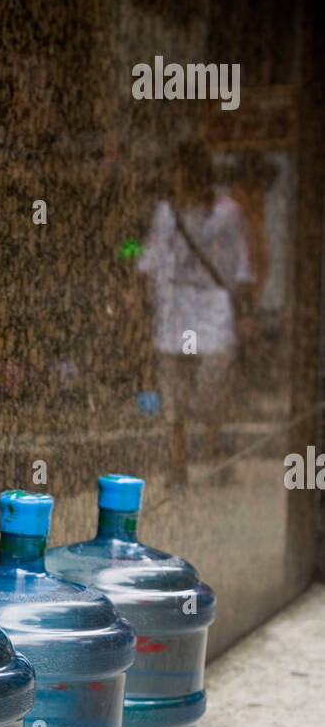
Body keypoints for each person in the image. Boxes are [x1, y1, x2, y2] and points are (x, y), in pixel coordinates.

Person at [138, 142, 255, 483]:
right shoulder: (166, 212)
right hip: (175, 310)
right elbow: (151, 258)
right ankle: (178, 463)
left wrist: (244, 309)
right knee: (175, 388)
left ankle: (215, 450)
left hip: (214, 307)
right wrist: (137, 293)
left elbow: (242, 265)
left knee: (213, 381)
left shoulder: (228, 213)